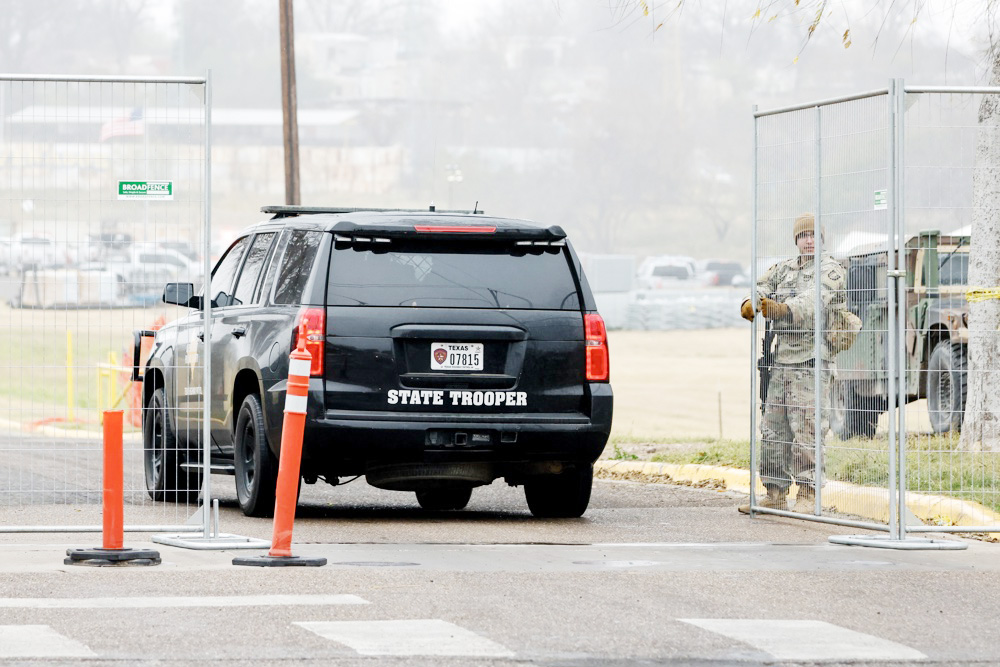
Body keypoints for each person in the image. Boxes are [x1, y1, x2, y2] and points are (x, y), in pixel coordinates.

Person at [738, 213, 846, 514]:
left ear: (820, 239)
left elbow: (813, 302)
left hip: (812, 361)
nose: (808, 240)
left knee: (807, 431)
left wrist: (782, 308)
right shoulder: (784, 269)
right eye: (803, 236)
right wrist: (751, 300)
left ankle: (808, 496)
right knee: (773, 430)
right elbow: (760, 285)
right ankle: (774, 493)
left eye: (813, 235)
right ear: (796, 240)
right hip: (782, 360)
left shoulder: (831, 270)